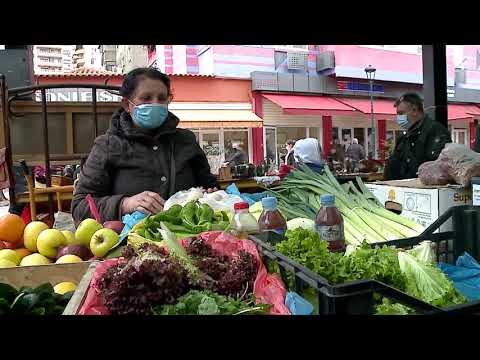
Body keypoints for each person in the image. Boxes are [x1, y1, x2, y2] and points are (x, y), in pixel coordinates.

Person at [72, 68, 218, 224]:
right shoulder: (107, 145)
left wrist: (213, 196)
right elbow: (80, 207)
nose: (155, 104)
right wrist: (125, 204)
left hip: (189, 237)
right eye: (146, 98)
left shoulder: (186, 140)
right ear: (127, 104)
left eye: (162, 98)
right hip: (129, 243)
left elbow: (209, 186)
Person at [384, 92, 452, 180]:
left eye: (401, 113)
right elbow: (393, 168)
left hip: (426, 190)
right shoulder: (404, 138)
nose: (398, 118)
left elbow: (440, 167)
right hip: (404, 189)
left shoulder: (435, 131)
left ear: (415, 110)